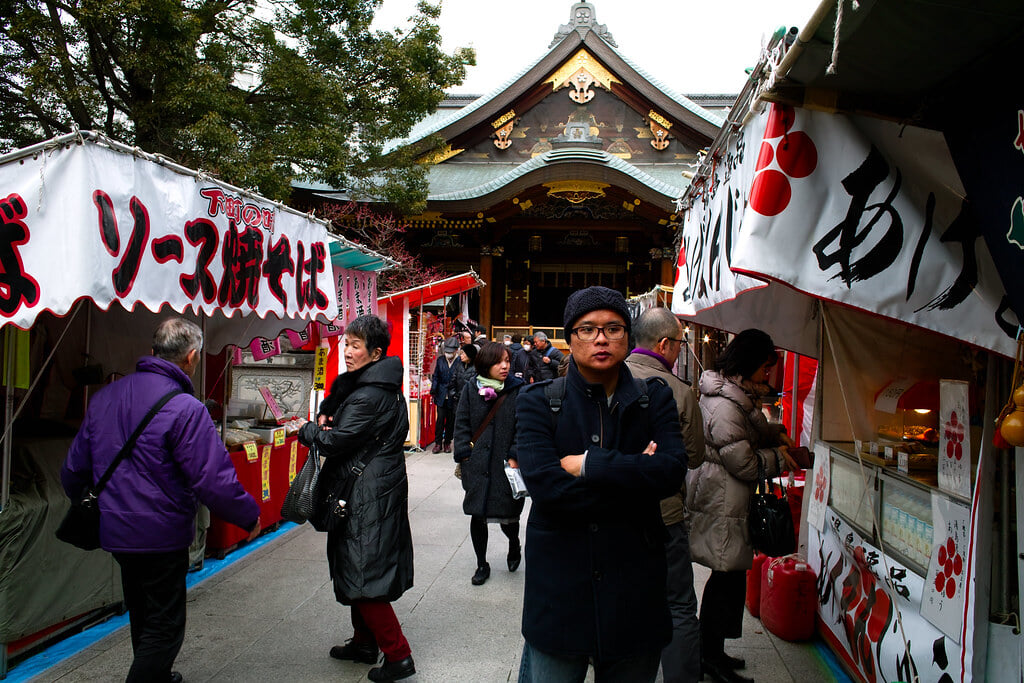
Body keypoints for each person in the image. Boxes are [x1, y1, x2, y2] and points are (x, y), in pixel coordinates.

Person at [61, 317, 261, 683]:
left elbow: (73, 470)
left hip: (116, 531)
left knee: (142, 611)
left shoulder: (106, 396)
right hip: (160, 534)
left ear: (152, 352)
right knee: (164, 627)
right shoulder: (187, 409)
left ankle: (159, 675)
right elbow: (212, 480)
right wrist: (247, 515)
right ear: (192, 357)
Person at [515, 286, 686, 683]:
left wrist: (589, 465)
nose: (601, 339)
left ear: (628, 335)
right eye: (587, 329)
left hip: (635, 589)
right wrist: (635, 476)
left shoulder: (654, 399)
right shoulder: (538, 401)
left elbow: (671, 471)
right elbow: (546, 487)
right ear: (569, 339)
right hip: (559, 592)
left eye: (613, 328)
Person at [300, 314, 416, 683]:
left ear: (375, 352)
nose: (346, 352)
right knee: (356, 564)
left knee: (365, 572)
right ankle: (364, 643)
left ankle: (399, 656)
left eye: (354, 346)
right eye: (345, 344)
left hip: (366, 491)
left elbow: (337, 441)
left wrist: (307, 431)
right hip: (372, 485)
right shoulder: (382, 387)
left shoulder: (367, 394)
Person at [686, 329, 799, 683]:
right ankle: (709, 657)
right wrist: (780, 458)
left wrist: (773, 432)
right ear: (749, 363)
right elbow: (744, 463)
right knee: (725, 577)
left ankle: (713, 652)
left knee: (729, 577)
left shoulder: (733, 394)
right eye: (765, 368)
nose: (767, 376)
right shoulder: (724, 403)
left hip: (728, 497)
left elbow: (745, 433)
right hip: (723, 499)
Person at [625, 307, 706, 683]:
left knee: (618, 594)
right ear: (663, 344)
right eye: (679, 344)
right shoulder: (679, 391)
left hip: (612, 511)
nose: (679, 351)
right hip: (664, 513)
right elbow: (694, 455)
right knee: (676, 603)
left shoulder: (607, 377)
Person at [453, 341, 526, 585]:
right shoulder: (470, 389)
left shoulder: (518, 389)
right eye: (499, 362)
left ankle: (513, 544)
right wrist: (464, 455)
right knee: (478, 515)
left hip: (506, 465)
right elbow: (461, 422)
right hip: (477, 463)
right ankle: (481, 563)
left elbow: (522, 426)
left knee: (509, 517)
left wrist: (515, 455)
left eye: (507, 361)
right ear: (485, 364)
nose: (505, 366)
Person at [429, 336, 460, 453]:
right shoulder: (441, 360)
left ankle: (447, 442)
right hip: (441, 394)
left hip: (453, 395)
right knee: (440, 419)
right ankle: (438, 443)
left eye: (451, 352)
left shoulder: (459, 361)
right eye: (447, 351)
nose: (448, 354)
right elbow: (436, 376)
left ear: (456, 350)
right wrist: (434, 388)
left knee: (451, 420)